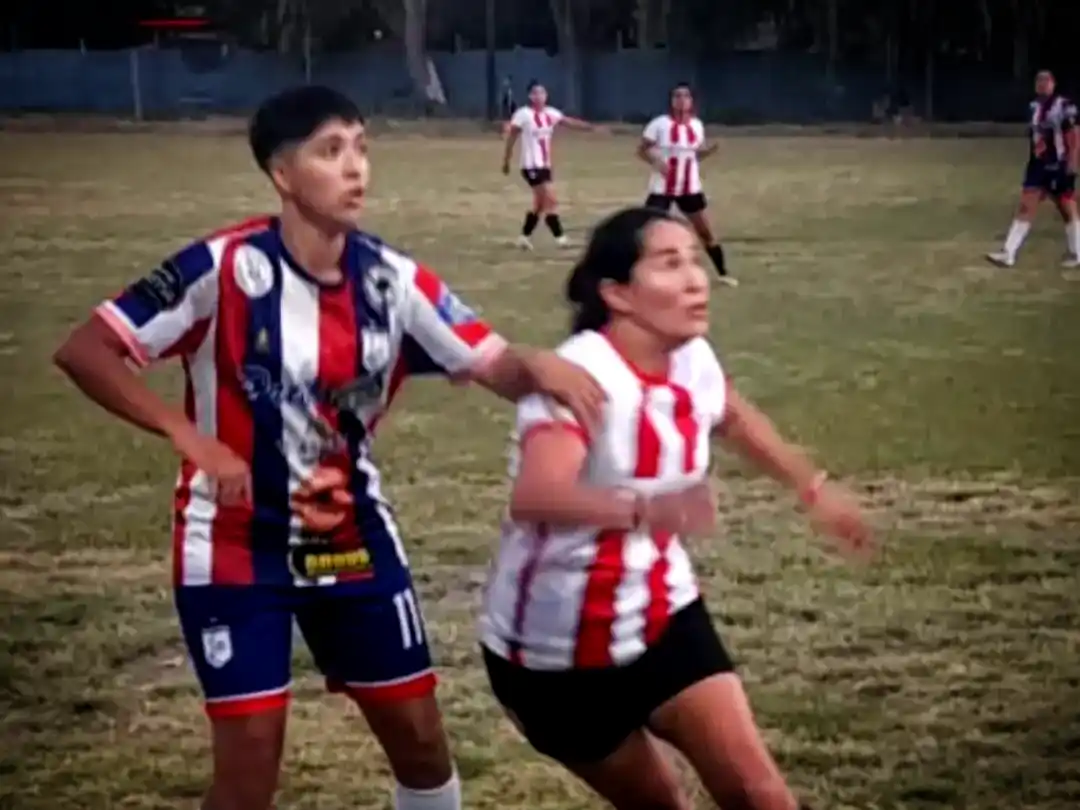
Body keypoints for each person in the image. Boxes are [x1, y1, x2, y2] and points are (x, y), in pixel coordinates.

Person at [53, 85, 604, 810]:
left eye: (362, 148)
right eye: (331, 151)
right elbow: (88, 349)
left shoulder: (393, 280)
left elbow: (492, 363)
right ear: (283, 174)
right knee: (248, 770)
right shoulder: (218, 268)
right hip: (232, 546)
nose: (356, 169)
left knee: (422, 745)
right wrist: (192, 441)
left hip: (351, 540)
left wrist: (540, 366)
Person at [478, 207, 874, 810]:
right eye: (670, 263)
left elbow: (732, 414)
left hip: (662, 613)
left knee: (761, 795)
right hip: (553, 659)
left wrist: (813, 487)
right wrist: (651, 509)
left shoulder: (693, 357)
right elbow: (537, 496)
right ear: (617, 293)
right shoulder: (582, 373)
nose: (696, 278)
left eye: (695, 260)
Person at [639, 83, 737, 286]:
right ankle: (642, 277)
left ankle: (723, 273)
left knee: (705, 232)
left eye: (685, 96)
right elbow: (642, 150)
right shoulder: (659, 124)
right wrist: (657, 163)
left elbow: (695, 155)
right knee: (648, 231)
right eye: (677, 96)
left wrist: (708, 151)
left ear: (692, 101)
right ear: (671, 100)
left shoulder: (697, 125)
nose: (681, 100)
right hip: (662, 188)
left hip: (689, 187)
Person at [987, 70, 1079, 269]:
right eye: (1038, 81)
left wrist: (1072, 163)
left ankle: (1077, 251)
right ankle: (1008, 252)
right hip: (1038, 165)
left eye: (1046, 81)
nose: (1042, 84)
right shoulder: (1033, 107)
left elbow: (1073, 135)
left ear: (1054, 83)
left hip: (1058, 164)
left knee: (1066, 207)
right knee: (1026, 204)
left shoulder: (1064, 106)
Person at [502, 80, 602, 250]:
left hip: (545, 165)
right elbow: (512, 136)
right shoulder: (523, 114)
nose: (539, 96)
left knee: (540, 204)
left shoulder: (550, 113)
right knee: (551, 200)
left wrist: (591, 128)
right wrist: (506, 159)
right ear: (530, 96)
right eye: (535, 93)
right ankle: (561, 239)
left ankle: (523, 238)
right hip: (530, 165)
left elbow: (568, 122)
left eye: (542, 93)